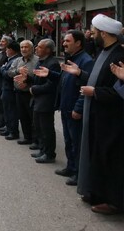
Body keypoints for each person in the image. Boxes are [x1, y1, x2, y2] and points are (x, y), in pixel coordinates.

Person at [61, 14, 124, 215]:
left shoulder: (118, 56)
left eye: (94, 32)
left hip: (112, 120)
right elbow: (98, 81)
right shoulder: (104, 52)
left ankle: (114, 201)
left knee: (111, 159)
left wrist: (95, 92)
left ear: (104, 34)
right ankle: (96, 192)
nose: (91, 35)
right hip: (99, 115)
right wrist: (80, 74)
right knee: (97, 156)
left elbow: (118, 91)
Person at [34, 30, 94, 186]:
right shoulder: (71, 58)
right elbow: (63, 78)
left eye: (67, 41)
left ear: (78, 43)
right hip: (66, 106)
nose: (64, 43)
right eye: (64, 41)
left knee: (76, 142)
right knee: (68, 140)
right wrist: (49, 74)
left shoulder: (85, 61)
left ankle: (78, 173)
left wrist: (78, 108)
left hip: (74, 108)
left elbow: (86, 85)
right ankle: (71, 166)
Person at [16, 39, 60, 164]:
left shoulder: (52, 63)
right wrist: (27, 78)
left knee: (46, 129)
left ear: (48, 50)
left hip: (45, 101)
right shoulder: (41, 61)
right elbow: (36, 78)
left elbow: (52, 85)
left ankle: (49, 153)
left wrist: (33, 89)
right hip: (37, 100)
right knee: (39, 127)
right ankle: (43, 149)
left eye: (39, 47)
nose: (36, 49)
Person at [7, 40, 39, 146]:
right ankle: (27, 137)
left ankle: (35, 140)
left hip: (30, 93)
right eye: (22, 47)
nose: (23, 49)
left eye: (26, 47)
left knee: (33, 118)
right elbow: (9, 72)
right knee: (22, 116)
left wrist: (27, 83)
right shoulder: (17, 61)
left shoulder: (37, 61)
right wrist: (17, 71)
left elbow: (39, 77)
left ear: (32, 48)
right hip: (18, 92)